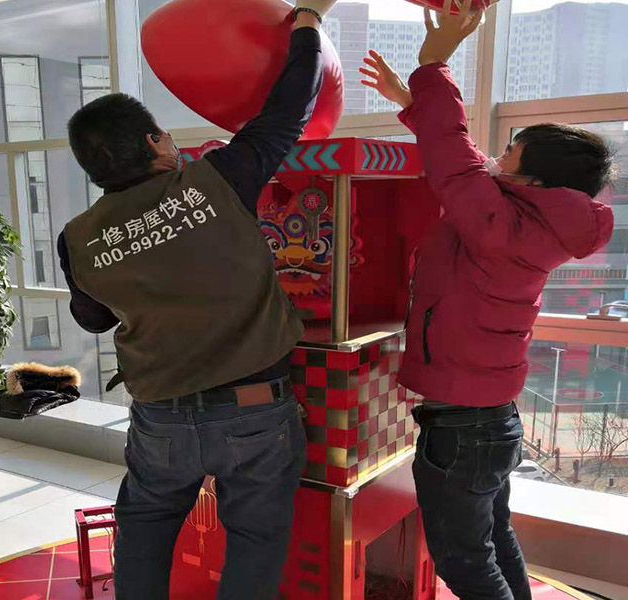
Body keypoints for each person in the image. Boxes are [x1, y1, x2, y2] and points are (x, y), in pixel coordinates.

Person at [58, 1, 337, 598]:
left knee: (144, 529)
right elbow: (289, 108)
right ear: (155, 142)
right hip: (255, 410)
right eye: (163, 133)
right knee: (255, 540)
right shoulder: (219, 179)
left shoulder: (77, 237)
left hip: (159, 417)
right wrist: (309, 21)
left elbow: (94, 318)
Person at [360, 1, 614, 599]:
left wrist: (434, 65)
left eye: (511, 155)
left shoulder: (499, 223)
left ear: (534, 181)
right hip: (489, 418)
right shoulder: (527, 220)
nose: (497, 160)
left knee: (463, 562)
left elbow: (456, 161)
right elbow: (467, 166)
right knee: (493, 541)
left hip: (463, 427)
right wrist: (413, 102)